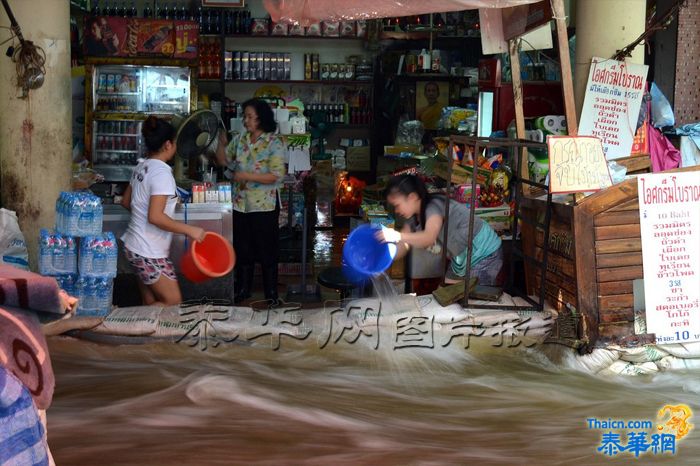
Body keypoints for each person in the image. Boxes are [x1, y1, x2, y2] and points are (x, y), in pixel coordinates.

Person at [121, 116, 205, 306]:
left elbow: (126, 202)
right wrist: (189, 230)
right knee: (173, 303)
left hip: (134, 246)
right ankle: (128, 322)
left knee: (151, 303)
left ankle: (141, 332)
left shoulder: (142, 166)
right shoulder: (162, 173)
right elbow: (155, 217)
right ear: (168, 145)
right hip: (148, 251)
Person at [215, 98, 286, 304]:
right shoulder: (239, 139)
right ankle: (243, 289)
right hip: (240, 204)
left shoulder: (274, 142)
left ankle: (271, 293)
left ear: (261, 118)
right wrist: (219, 143)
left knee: (267, 250)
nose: (245, 120)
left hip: (264, 205)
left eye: (249, 116)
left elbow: (276, 175)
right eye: (244, 116)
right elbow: (224, 161)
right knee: (243, 249)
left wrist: (246, 176)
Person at [376, 174, 503, 289]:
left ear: (412, 197)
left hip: (485, 252)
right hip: (462, 257)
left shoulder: (433, 206)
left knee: (473, 298)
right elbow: (402, 246)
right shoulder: (412, 219)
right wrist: (382, 261)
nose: (396, 211)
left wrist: (397, 235)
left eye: (397, 205)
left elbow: (428, 237)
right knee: (445, 293)